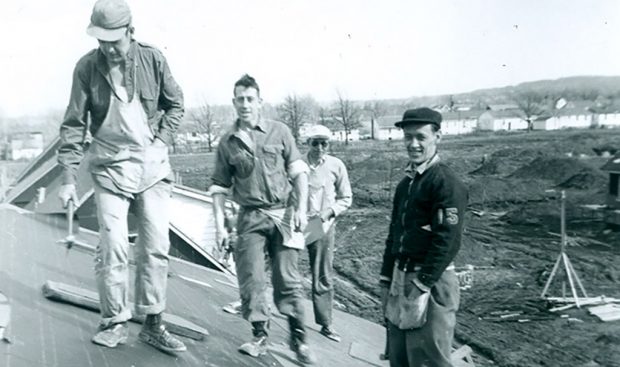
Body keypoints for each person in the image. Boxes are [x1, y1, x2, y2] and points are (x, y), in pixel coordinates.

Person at [57, 0, 186, 354]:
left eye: (114, 41)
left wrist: (162, 141)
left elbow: (176, 104)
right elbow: (72, 125)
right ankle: (114, 321)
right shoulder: (86, 68)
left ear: (131, 32)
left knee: (156, 246)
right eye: (101, 41)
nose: (107, 49)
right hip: (110, 168)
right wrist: (68, 178)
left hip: (151, 167)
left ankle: (153, 323)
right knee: (113, 245)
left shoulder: (153, 59)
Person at [209, 74, 316, 364]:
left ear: (260, 102)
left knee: (288, 280)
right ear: (234, 102)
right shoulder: (228, 142)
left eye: (250, 99)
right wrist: (220, 226)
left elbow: (299, 173)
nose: (245, 104)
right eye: (240, 99)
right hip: (250, 218)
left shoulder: (279, 132)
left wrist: (301, 209)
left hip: (283, 215)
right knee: (252, 279)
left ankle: (298, 339)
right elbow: (219, 189)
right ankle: (259, 336)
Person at [379, 108, 468, 367]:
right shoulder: (406, 184)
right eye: (408, 137)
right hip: (400, 279)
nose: (413, 144)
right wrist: (386, 278)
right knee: (399, 357)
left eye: (421, 137)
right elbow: (394, 235)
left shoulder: (445, 183)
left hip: (431, 283)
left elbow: (448, 240)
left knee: (427, 361)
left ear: (437, 136)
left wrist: (422, 283)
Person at [302, 125, 352, 342]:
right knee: (276, 265)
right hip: (295, 223)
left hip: (320, 226)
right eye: (315, 143)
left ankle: (325, 323)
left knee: (322, 274)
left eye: (325, 143)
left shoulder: (336, 165)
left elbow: (346, 198)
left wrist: (329, 212)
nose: (320, 147)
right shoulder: (297, 165)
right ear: (308, 143)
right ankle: (251, 304)